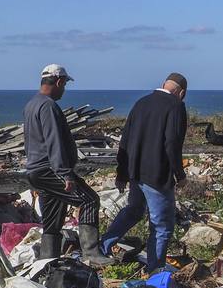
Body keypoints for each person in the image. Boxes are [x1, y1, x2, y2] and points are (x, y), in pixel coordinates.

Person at [23, 63, 112, 265]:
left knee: (53, 218)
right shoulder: (48, 106)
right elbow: (53, 140)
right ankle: (92, 254)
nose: (63, 90)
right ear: (59, 81)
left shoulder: (31, 104)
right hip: (49, 169)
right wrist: (65, 173)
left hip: (35, 170)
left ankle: (48, 261)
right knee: (89, 200)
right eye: (64, 85)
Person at [100, 73, 189, 272]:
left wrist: (122, 173)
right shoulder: (176, 107)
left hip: (135, 172)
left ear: (163, 85)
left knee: (133, 211)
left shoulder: (141, 103)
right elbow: (172, 143)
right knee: (162, 225)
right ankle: (154, 269)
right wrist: (179, 174)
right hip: (157, 175)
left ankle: (102, 246)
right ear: (181, 93)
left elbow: (125, 140)